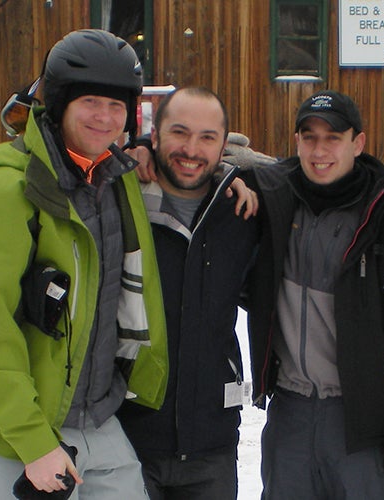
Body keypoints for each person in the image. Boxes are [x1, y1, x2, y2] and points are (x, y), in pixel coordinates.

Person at [0, 29, 169, 499]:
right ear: (57, 105)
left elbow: (192, 172)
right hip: (17, 431)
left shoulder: (116, 182)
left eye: (117, 106)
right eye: (91, 102)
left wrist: (231, 171)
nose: (105, 117)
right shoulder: (1, 195)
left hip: (95, 418)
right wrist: (33, 443)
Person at [246, 90, 384, 499]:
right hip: (290, 417)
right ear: (297, 142)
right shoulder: (277, 207)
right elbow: (203, 169)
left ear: (358, 143)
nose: (320, 150)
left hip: (360, 423)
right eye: (309, 137)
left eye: (333, 137)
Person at [116, 86, 260, 499]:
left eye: (207, 138)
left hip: (211, 445)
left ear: (223, 147)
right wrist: (134, 148)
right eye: (179, 133)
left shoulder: (243, 212)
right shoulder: (119, 200)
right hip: (128, 437)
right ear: (155, 136)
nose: (192, 149)